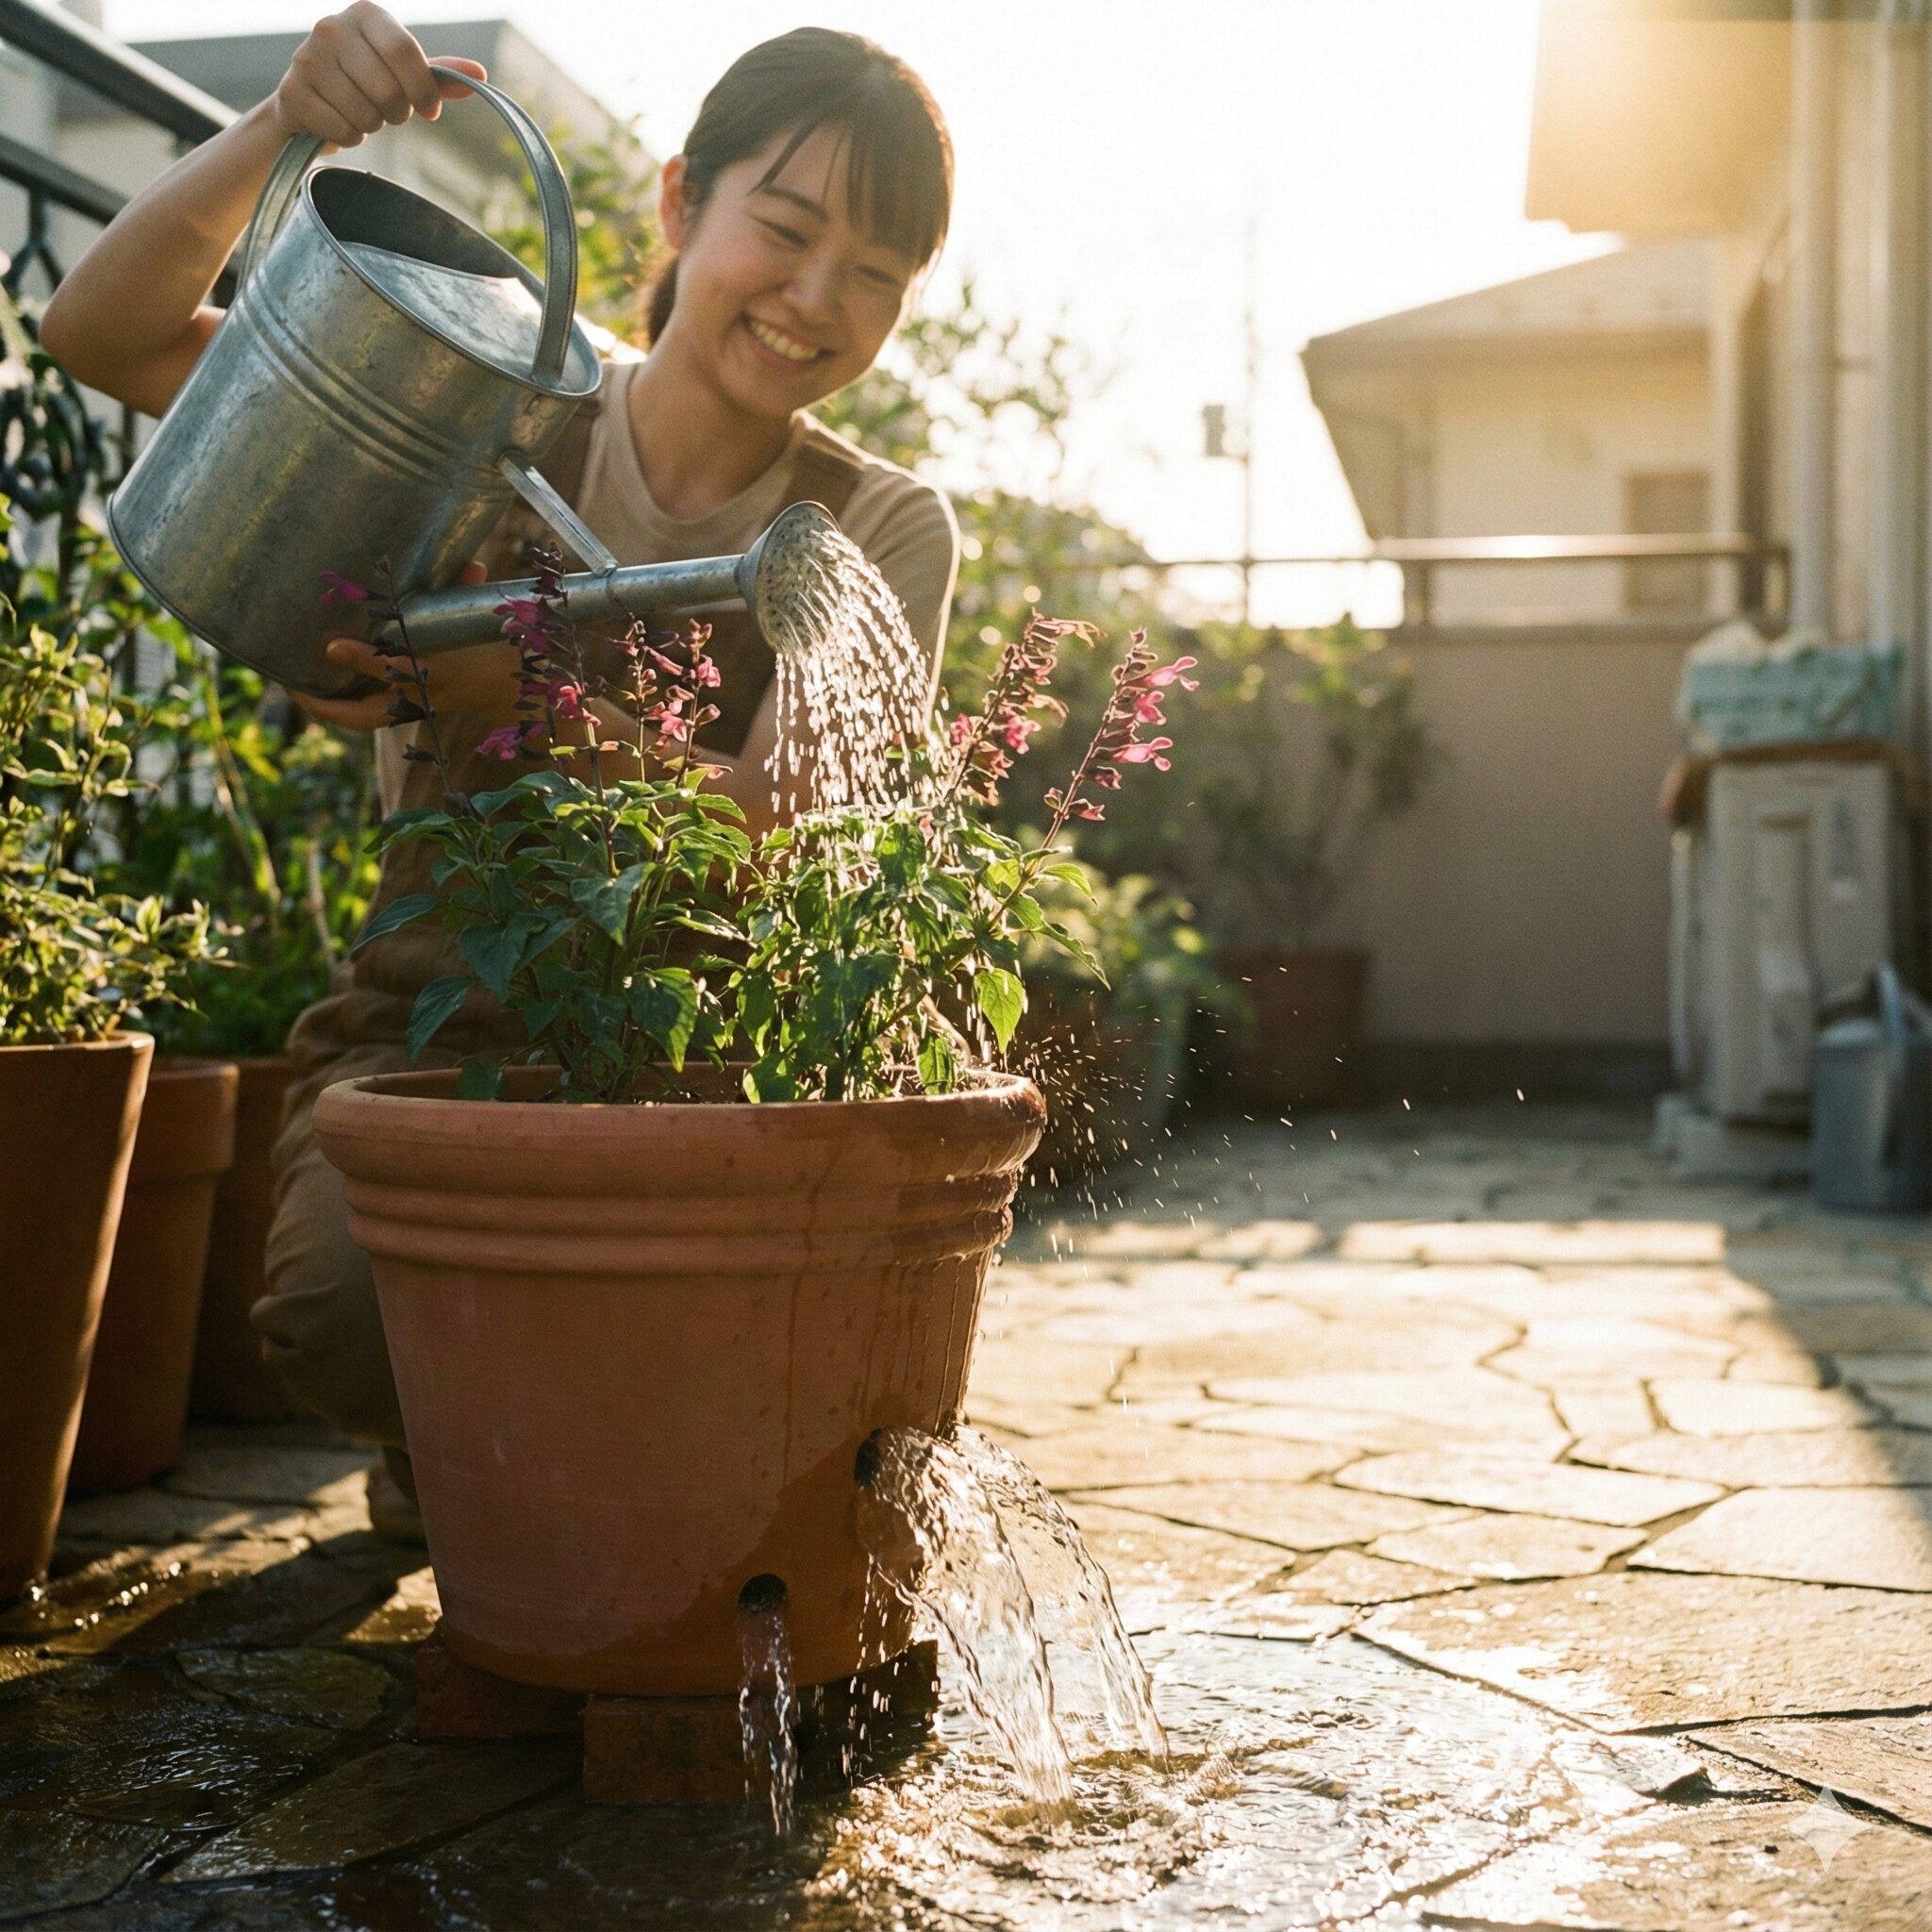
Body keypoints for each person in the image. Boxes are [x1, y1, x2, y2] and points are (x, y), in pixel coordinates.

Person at [42, 4, 959, 1534]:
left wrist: (526, 693)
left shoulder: (876, 528)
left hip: (708, 1070)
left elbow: (797, 840)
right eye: (789, 230)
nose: (817, 299)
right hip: (438, 1022)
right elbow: (105, 337)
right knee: (339, 1324)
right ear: (682, 200)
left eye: (876, 273)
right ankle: (468, 1428)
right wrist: (286, 125)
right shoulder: (496, 404)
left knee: (699, 1362)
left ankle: (534, 1452)